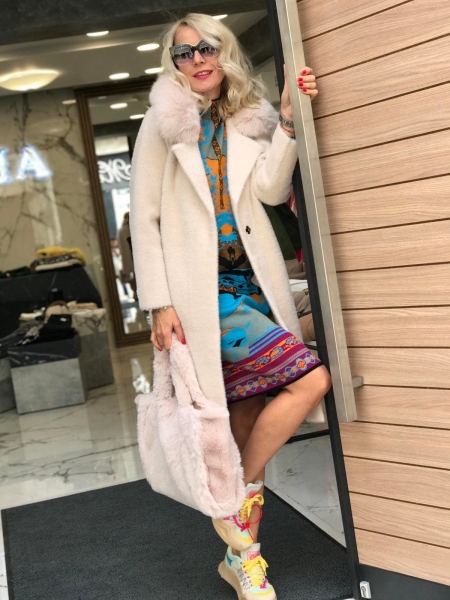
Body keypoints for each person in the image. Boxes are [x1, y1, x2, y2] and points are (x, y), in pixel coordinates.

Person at [130, 13, 331, 600]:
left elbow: (269, 189)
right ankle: (235, 507)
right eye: (184, 53)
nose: (197, 60)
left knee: (244, 415)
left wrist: (288, 121)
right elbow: (144, 217)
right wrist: (158, 303)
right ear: (174, 64)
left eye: (206, 48)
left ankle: (242, 557)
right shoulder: (161, 122)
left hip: (252, 283)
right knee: (311, 380)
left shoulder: (248, 115)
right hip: (202, 293)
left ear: (224, 51)